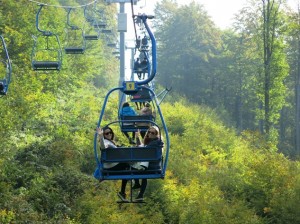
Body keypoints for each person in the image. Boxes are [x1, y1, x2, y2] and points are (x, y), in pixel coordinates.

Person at [118, 126, 164, 202]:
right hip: (153, 166)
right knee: (142, 173)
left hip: (150, 166)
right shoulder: (153, 142)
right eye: (149, 132)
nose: (150, 134)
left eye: (153, 133)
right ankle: (140, 194)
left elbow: (142, 150)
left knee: (127, 169)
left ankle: (123, 192)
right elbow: (142, 147)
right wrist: (137, 137)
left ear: (157, 134)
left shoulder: (155, 143)